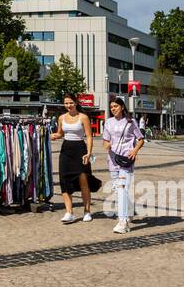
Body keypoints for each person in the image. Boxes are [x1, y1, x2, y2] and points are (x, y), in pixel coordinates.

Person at [50, 93, 99, 225]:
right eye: (66, 103)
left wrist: (89, 153)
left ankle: (87, 211)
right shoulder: (61, 118)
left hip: (80, 150)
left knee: (83, 180)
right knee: (64, 180)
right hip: (66, 150)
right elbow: (60, 133)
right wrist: (53, 135)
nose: (68, 105)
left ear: (76, 103)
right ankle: (69, 212)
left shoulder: (83, 117)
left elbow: (89, 136)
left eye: (70, 103)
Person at [102, 96, 144, 235]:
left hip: (126, 159)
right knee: (119, 190)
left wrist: (134, 150)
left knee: (121, 188)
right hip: (113, 160)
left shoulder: (130, 121)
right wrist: (106, 145)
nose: (113, 109)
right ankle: (130, 209)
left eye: (116, 106)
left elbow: (140, 139)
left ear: (122, 107)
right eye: (111, 107)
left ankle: (123, 222)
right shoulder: (108, 122)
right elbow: (105, 141)